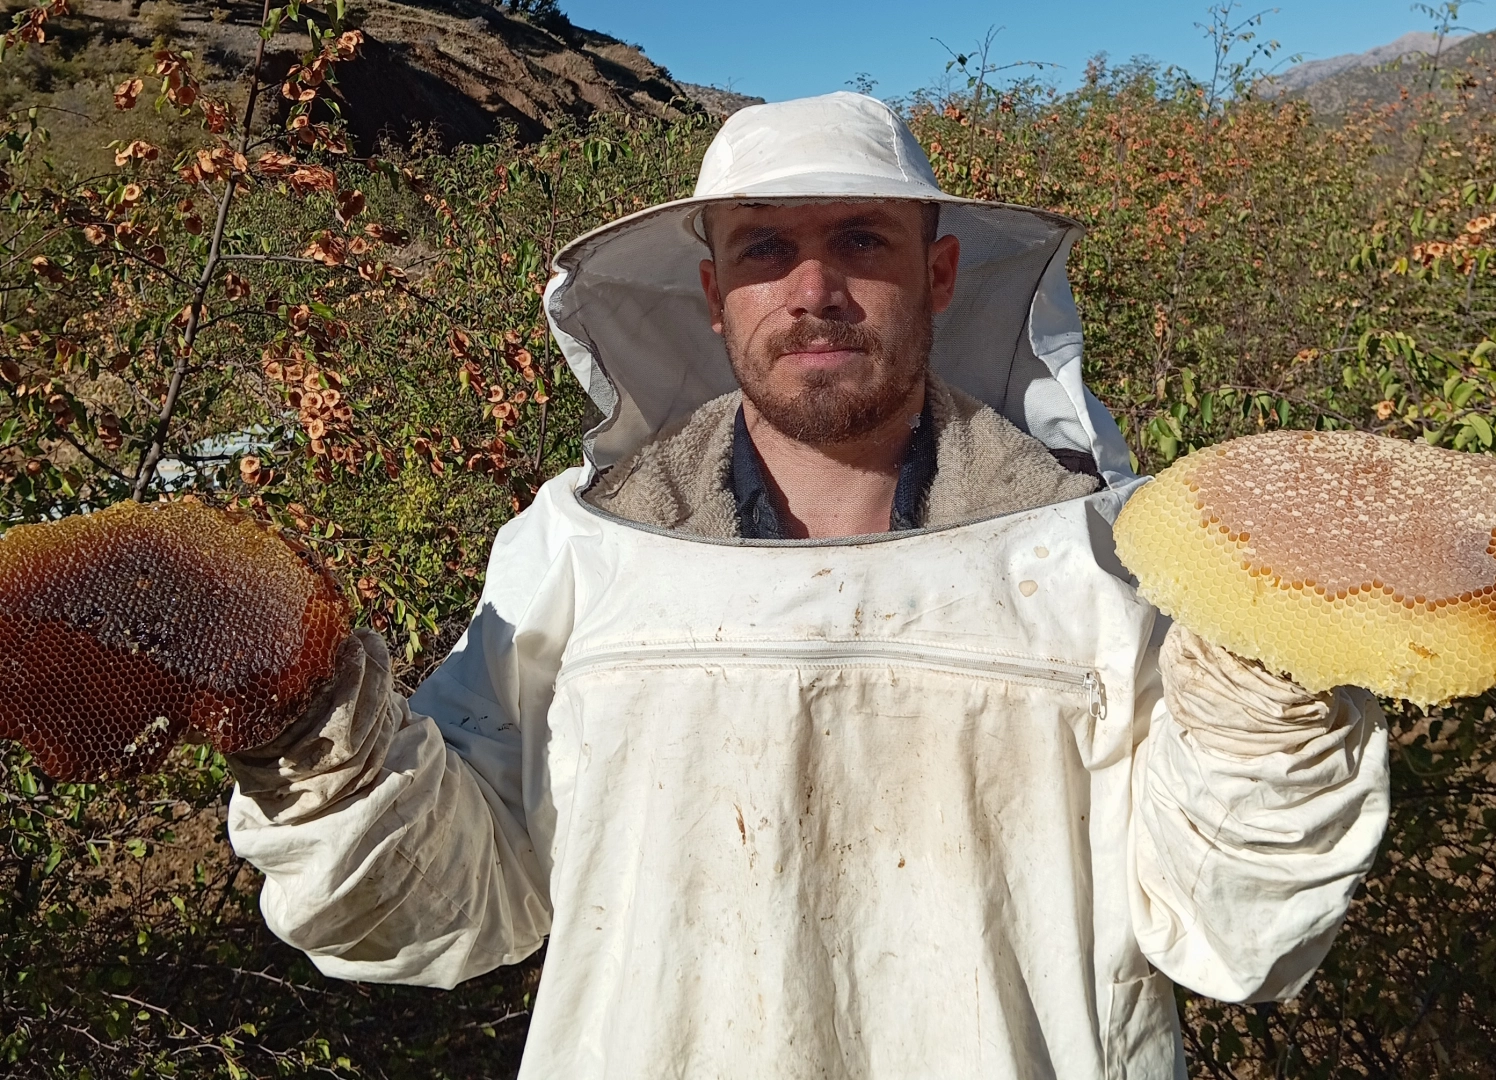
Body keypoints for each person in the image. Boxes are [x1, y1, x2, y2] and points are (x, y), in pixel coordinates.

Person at [226, 93, 1389, 1079]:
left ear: (938, 275)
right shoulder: (576, 553)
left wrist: (1272, 693)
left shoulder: (1099, 558)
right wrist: (317, 743)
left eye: (862, 241)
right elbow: (449, 908)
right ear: (713, 288)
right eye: (765, 249)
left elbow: (1230, 928)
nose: (813, 288)